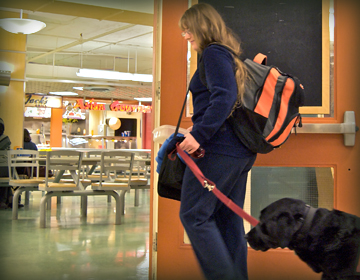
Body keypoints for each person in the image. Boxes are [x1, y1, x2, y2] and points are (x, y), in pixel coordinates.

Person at [177, 4, 257, 280]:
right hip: (239, 151)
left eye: (187, 29)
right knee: (226, 219)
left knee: (194, 216)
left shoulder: (212, 53)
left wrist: (199, 134)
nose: (185, 36)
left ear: (202, 26)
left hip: (219, 150)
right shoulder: (228, 54)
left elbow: (224, 98)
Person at [0, 118, 12, 209]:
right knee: (8, 171)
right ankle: (4, 200)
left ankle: (6, 199)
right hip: (4, 170)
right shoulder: (6, 139)